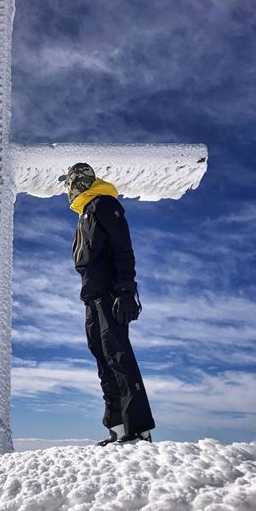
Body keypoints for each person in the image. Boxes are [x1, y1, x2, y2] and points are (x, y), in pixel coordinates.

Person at [58, 163, 155, 445]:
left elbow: (123, 250)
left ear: (79, 183)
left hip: (110, 294)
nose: (68, 189)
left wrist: (126, 291)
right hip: (92, 296)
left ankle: (139, 430)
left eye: (71, 183)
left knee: (119, 356)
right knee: (102, 358)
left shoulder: (103, 205)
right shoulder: (85, 213)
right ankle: (118, 428)